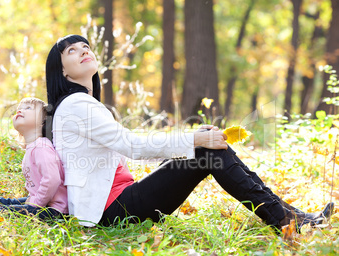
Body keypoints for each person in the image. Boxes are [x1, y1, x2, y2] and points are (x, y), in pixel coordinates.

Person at [45, 34, 334, 232]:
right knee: (207, 149)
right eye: (72, 50)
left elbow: (123, 153)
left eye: (85, 47)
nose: (83, 50)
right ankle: (285, 219)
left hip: (115, 201)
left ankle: (289, 216)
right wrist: (194, 140)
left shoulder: (81, 105)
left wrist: (193, 140)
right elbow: (132, 145)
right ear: (64, 73)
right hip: (110, 211)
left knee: (207, 146)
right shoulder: (77, 105)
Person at [0, 98, 68, 220]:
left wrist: (35, 202)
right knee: (8, 202)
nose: (20, 111)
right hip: (43, 202)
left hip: (55, 209)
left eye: (28, 108)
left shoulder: (42, 147)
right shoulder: (33, 147)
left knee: (8, 210)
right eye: (19, 109)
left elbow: (52, 179)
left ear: (43, 121)